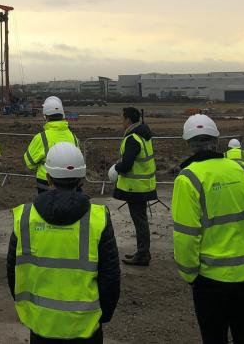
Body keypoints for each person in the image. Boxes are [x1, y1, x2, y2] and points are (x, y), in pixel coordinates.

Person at [8, 143, 120, 343]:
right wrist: (104, 315)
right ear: (81, 179)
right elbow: (110, 277)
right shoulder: (98, 218)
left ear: (48, 178)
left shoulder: (25, 217)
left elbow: (12, 271)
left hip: (41, 324)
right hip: (85, 326)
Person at [172, 114, 244, 344]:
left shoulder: (188, 179)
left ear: (189, 144)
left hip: (209, 278)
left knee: (214, 336)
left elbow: (186, 236)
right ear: (216, 141)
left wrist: (189, 273)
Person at [113, 107, 156, 267]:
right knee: (141, 220)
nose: (121, 122)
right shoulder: (144, 135)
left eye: (122, 118)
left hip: (136, 188)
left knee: (140, 221)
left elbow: (126, 165)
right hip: (144, 186)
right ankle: (142, 251)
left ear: (128, 120)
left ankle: (143, 254)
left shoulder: (133, 138)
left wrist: (116, 167)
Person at [24, 96, 80, 193]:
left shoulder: (41, 137)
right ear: (62, 115)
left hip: (46, 181)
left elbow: (29, 162)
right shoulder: (73, 136)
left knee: (46, 207)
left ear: (45, 116)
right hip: (70, 181)